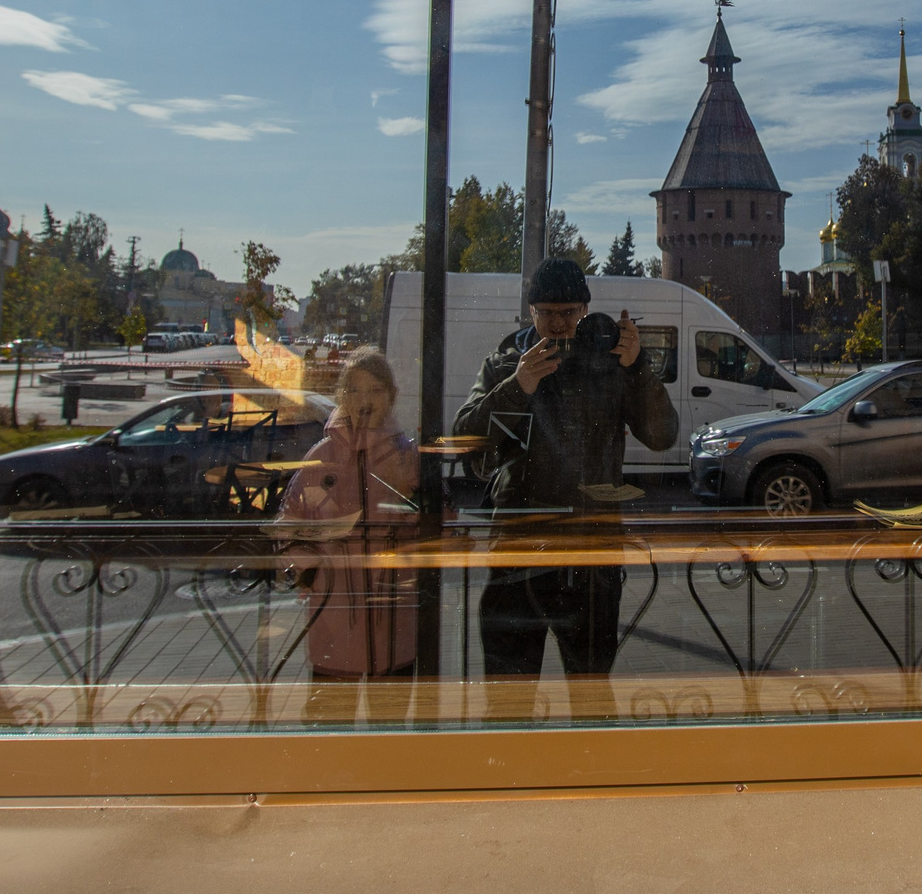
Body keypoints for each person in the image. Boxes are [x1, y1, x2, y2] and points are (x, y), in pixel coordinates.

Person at [454, 257, 677, 719]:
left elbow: (662, 435)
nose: (557, 324)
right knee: (508, 701)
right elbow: (465, 443)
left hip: (589, 556)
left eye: (569, 313)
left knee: (591, 699)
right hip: (518, 555)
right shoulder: (505, 364)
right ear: (530, 312)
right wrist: (518, 385)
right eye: (547, 313)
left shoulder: (610, 363)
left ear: (585, 310)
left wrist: (636, 368)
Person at [279, 348, 421, 725]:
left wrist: (411, 506)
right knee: (328, 726)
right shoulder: (321, 457)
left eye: (375, 390)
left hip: (393, 620)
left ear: (391, 396)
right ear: (342, 395)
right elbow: (288, 522)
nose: (364, 399)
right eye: (354, 390)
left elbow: (438, 520)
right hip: (333, 618)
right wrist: (309, 569)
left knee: (388, 729)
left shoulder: (408, 456)